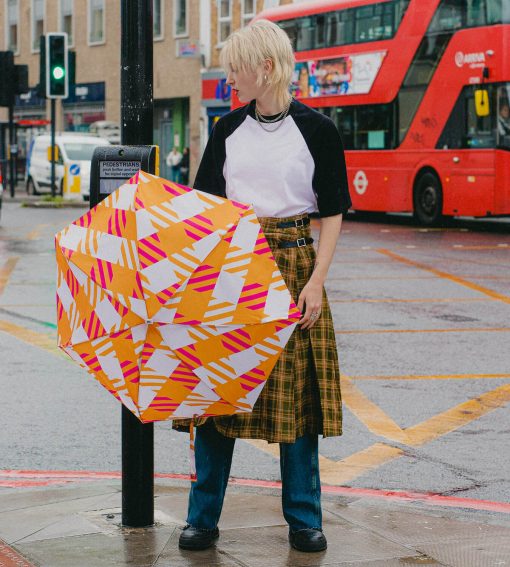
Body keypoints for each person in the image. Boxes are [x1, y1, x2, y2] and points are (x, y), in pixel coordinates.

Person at [173, 19, 351, 554]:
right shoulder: (226, 130)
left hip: (296, 264)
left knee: (297, 401)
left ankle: (303, 520)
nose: (229, 78)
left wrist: (317, 282)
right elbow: (205, 208)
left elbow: (333, 213)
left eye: (236, 68)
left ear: (266, 67)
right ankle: (202, 518)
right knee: (216, 394)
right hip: (234, 267)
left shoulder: (318, 130)